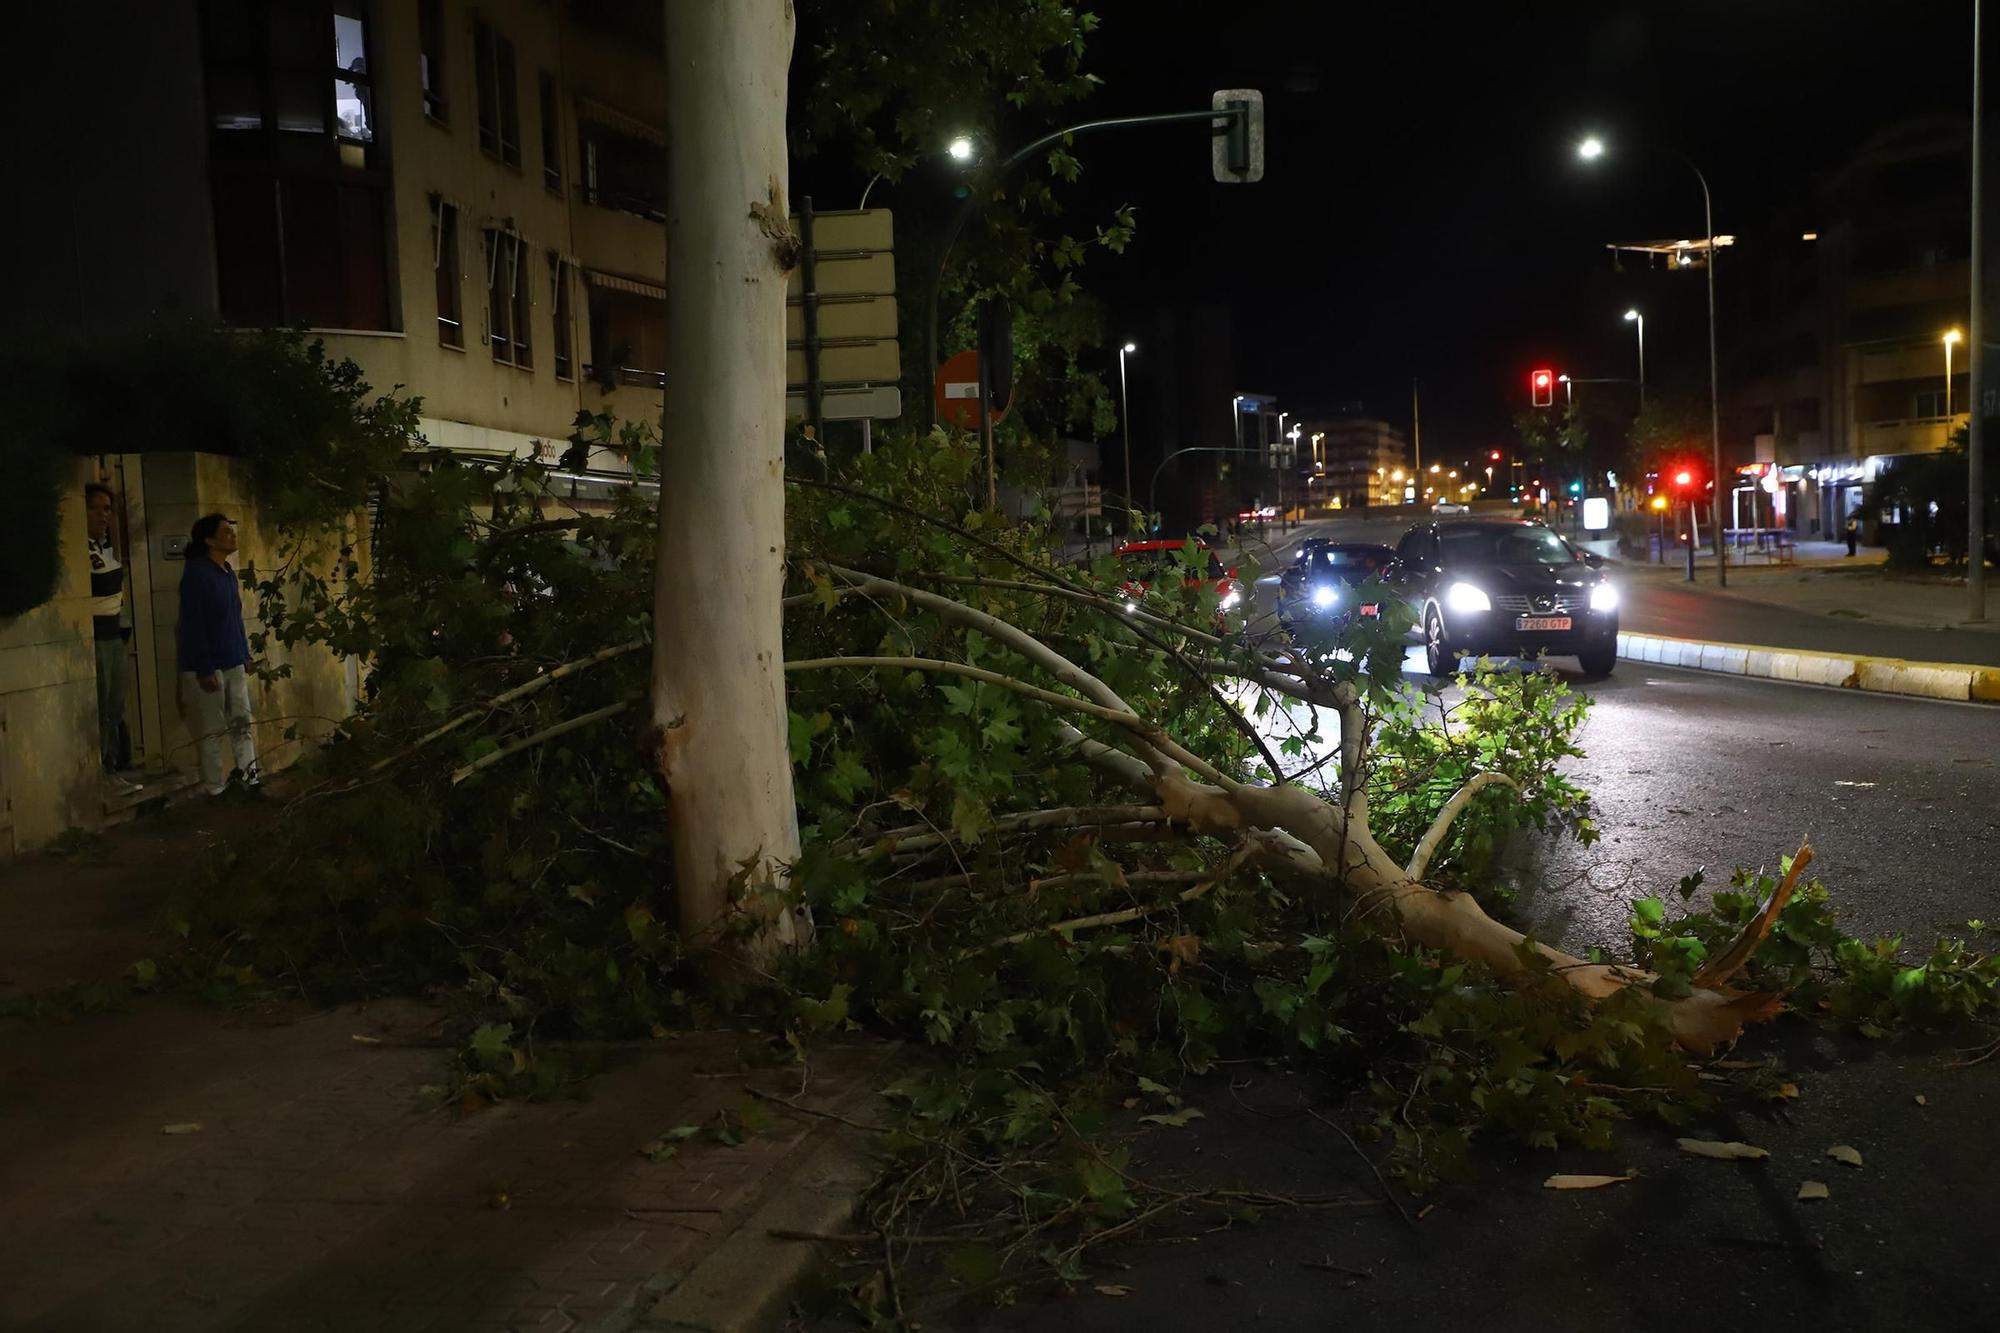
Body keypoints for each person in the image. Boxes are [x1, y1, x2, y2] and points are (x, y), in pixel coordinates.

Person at [178, 514, 259, 795]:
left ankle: (250, 779)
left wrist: (244, 653)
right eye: (226, 532)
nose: (232, 536)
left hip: (232, 659)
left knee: (242, 722)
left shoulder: (227, 573)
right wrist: (203, 667)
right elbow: (193, 624)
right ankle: (215, 788)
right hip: (207, 664)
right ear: (209, 540)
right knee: (214, 727)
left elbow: (234, 618)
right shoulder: (197, 574)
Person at [85, 483, 142, 796]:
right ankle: (102, 771)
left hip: (114, 636)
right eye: (94, 508)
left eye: (107, 508)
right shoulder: (84, 550)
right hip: (96, 638)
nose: (102, 515)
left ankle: (111, 766)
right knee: (103, 704)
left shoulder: (105, 547)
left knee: (115, 706)